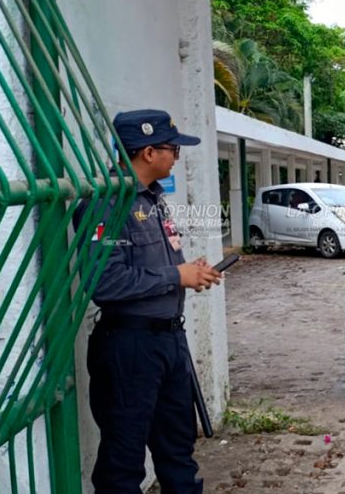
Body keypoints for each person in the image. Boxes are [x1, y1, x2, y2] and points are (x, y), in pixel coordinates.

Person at [72, 109, 222, 494]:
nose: (177, 155)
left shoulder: (152, 199)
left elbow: (156, 263)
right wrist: (177, 276)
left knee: (177, 451)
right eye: (172, 148)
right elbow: (104, 282)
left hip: (169, 341)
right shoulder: (106, 205)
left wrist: (190, 271)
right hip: (129, 347)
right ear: (148, 152)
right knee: (123, 463)